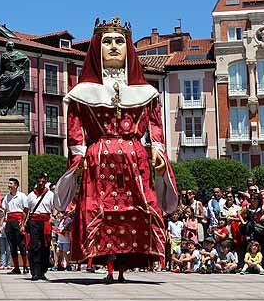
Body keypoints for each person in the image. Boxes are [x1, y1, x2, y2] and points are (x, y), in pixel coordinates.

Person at [57, 17, 176, 284]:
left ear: (129, 48)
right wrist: (78, 159)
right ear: (97, 48)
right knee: (102, 211)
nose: (113, 46)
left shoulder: (146, 92)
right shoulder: (82, 93)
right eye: (107, 41)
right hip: (98, 158)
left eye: (119, 41)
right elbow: (75, 133)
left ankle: (124, 264)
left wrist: (157, 150)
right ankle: (108, 264)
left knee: (137, 210)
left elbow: (155, 126)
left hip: (135, 158)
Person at [25, 173, 55, 281]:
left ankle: (43, 271)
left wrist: (53, 216)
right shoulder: (31, 195)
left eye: (43, 181)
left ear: (46, 181)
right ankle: (35, 272)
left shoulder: (50, 194)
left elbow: (54, 207)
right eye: (39, 181)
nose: (41, 183)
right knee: (34, 247)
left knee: (45, 247)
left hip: (46, 222)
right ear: (36, 181)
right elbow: (27, 211)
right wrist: (23, 223)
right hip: (34, 222)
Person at [2, 178, 28, 274]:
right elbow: (4, 210)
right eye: (8, 183)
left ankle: (25, 265)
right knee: (12, 245)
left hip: (18, 221)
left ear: (16, 185)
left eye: (11, 183)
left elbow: (25, 210)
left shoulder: (22, 196)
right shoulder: (7, 197)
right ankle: (16, 267)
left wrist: (23, 223)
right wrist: (2, 224)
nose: (9, 185)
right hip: (9, 222)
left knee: (21, 245)